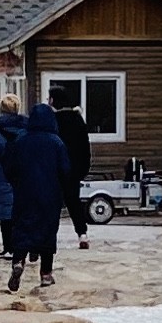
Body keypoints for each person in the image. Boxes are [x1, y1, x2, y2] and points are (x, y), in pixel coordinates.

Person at [0, 96, 68, 293]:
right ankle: (46, 273)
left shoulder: (22, 140)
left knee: (22, 228)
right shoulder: (56, 142)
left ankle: (18, 261)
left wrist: (17, 183)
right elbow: (65, 169)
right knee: (47, 232)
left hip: (24, 193)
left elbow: (10, 166)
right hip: (49, 195)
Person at [55, 97, 97, 249]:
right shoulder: (78, 121)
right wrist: (83, 170)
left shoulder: (53, 121)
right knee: (74, 203)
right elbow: (85, 148)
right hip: (74, 170)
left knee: (52, 204)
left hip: (56, 170)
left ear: (52, 100)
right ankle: (82, 234)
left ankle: (47, 237)